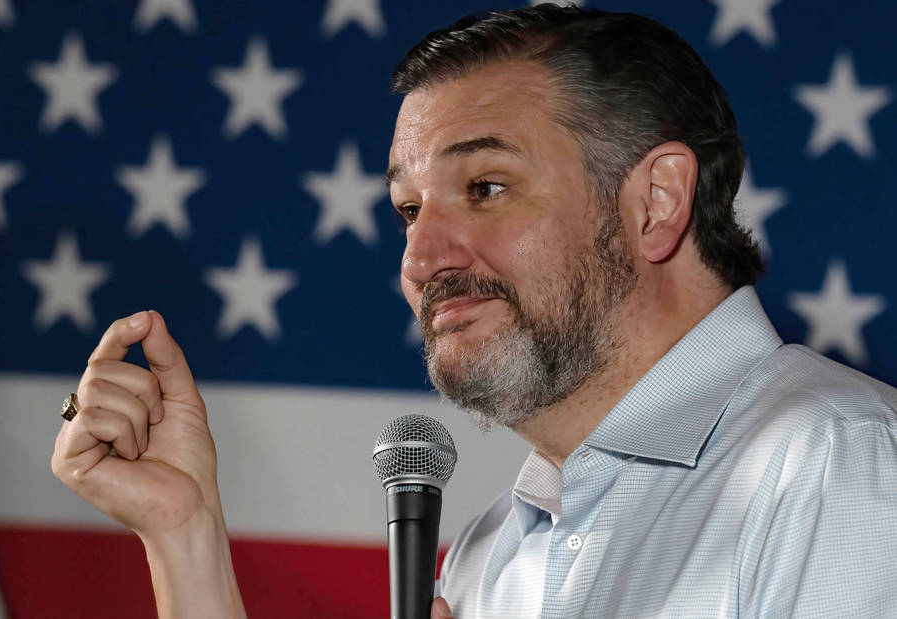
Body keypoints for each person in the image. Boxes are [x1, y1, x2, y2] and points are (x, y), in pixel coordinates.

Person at [52, 5, 897, 618]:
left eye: (486, 187)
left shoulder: (837, 459)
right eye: (408, 211)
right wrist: (185, 533)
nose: (420, 262)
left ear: (657, 202)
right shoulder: (493, 550)